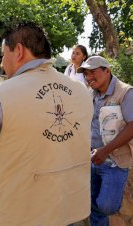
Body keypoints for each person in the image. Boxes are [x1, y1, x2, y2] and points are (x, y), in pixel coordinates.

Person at [0, 22, 93, 226]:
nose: (2, 63)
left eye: (3, 54)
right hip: (67, 211)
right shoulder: (82, 92)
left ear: (18, 50)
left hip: (10, 215)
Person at [77, 56, 133, 226]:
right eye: (86, 74)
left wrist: (105, 150)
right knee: (92, 203)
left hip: (115, 161)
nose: (88, 77)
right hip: (93, 159)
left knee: (106, 206)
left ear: (107, 71)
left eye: (92, 72)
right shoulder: (90, 94)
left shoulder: (125, 92)